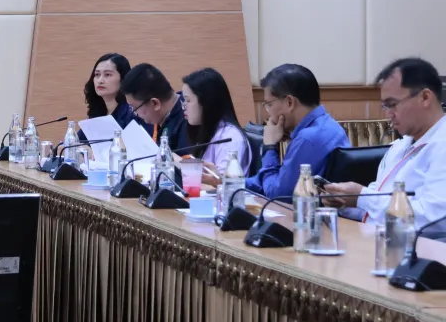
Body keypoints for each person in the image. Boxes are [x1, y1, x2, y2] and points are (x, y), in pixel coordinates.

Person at [325, 58, 446, 228]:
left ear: (425, 97)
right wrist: (345, 204)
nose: (388, 114)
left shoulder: (442, 144)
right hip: (376, 238)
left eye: (392, 104)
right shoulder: (399, 146)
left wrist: (362, 198)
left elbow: (433, 219)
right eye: (385, 106)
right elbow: (378, 208)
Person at [245, 63, 349, 198]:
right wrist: (232, 182)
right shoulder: (328, 126)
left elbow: (277, 195)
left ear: (289, 102)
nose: (268, 112)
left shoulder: (308, 138)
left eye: (269, 104)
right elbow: (273, 181)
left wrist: (269, 147)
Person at [182, 67, 252, 181]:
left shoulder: (229, 137)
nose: (184, 107)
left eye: (188, 100)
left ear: (206, 102)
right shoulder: (207, 130)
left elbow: (226, 184)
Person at [120, 63, 191, 150]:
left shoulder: (189, 120)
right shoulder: (161, 116)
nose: (135, 114)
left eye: (135, 108)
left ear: (155, 103)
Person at [80, 53, 148, 139]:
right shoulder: (97, 114)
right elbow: (76, 142)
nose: (100, 80)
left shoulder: (133, 114)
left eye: (107, 74)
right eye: (97, 75)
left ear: (123, 79)